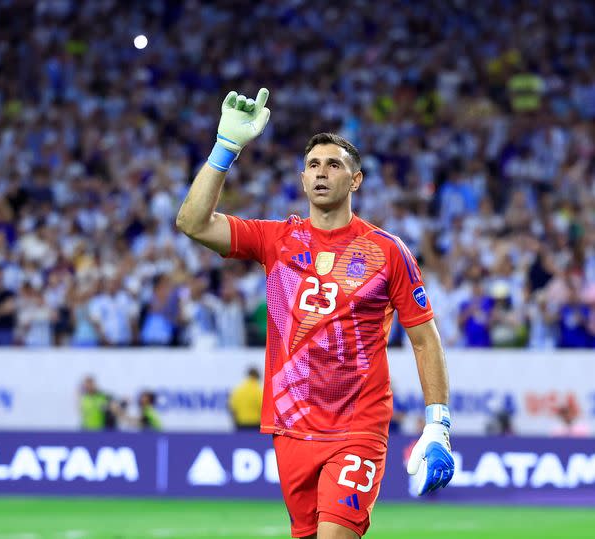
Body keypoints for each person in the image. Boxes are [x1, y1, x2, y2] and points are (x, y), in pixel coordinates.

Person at [176, 88, 454, 539]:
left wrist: (438, 423)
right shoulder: (276, 240)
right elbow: (192, 223)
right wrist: (225, 148)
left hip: (358, 426)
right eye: (313, 166)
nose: (322, 173)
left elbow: (425, 338)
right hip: (290, 427)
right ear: (303, 180)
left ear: (356, 180)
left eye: (334, 165)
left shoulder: (387, 252)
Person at [229, 366, 263, 431]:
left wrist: (236, 421)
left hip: (240, 424)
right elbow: (264, 408)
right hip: (255, 424)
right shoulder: (259, 391)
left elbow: (232, 407)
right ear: (257, 376)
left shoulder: (238, 390)